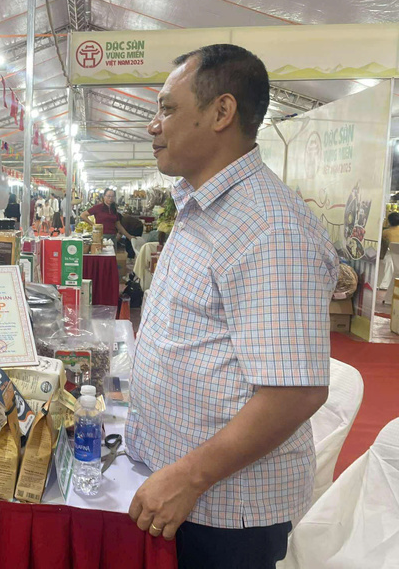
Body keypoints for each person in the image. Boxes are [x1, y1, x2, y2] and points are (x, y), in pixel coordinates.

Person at [126, 44, 337, 569]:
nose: (154, 125)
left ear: (222, 112)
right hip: (182, 491)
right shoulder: (203, 207)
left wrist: (189, 476)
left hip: (223, 510)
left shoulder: (272, 229)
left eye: (167, 108)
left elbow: (295, 391)